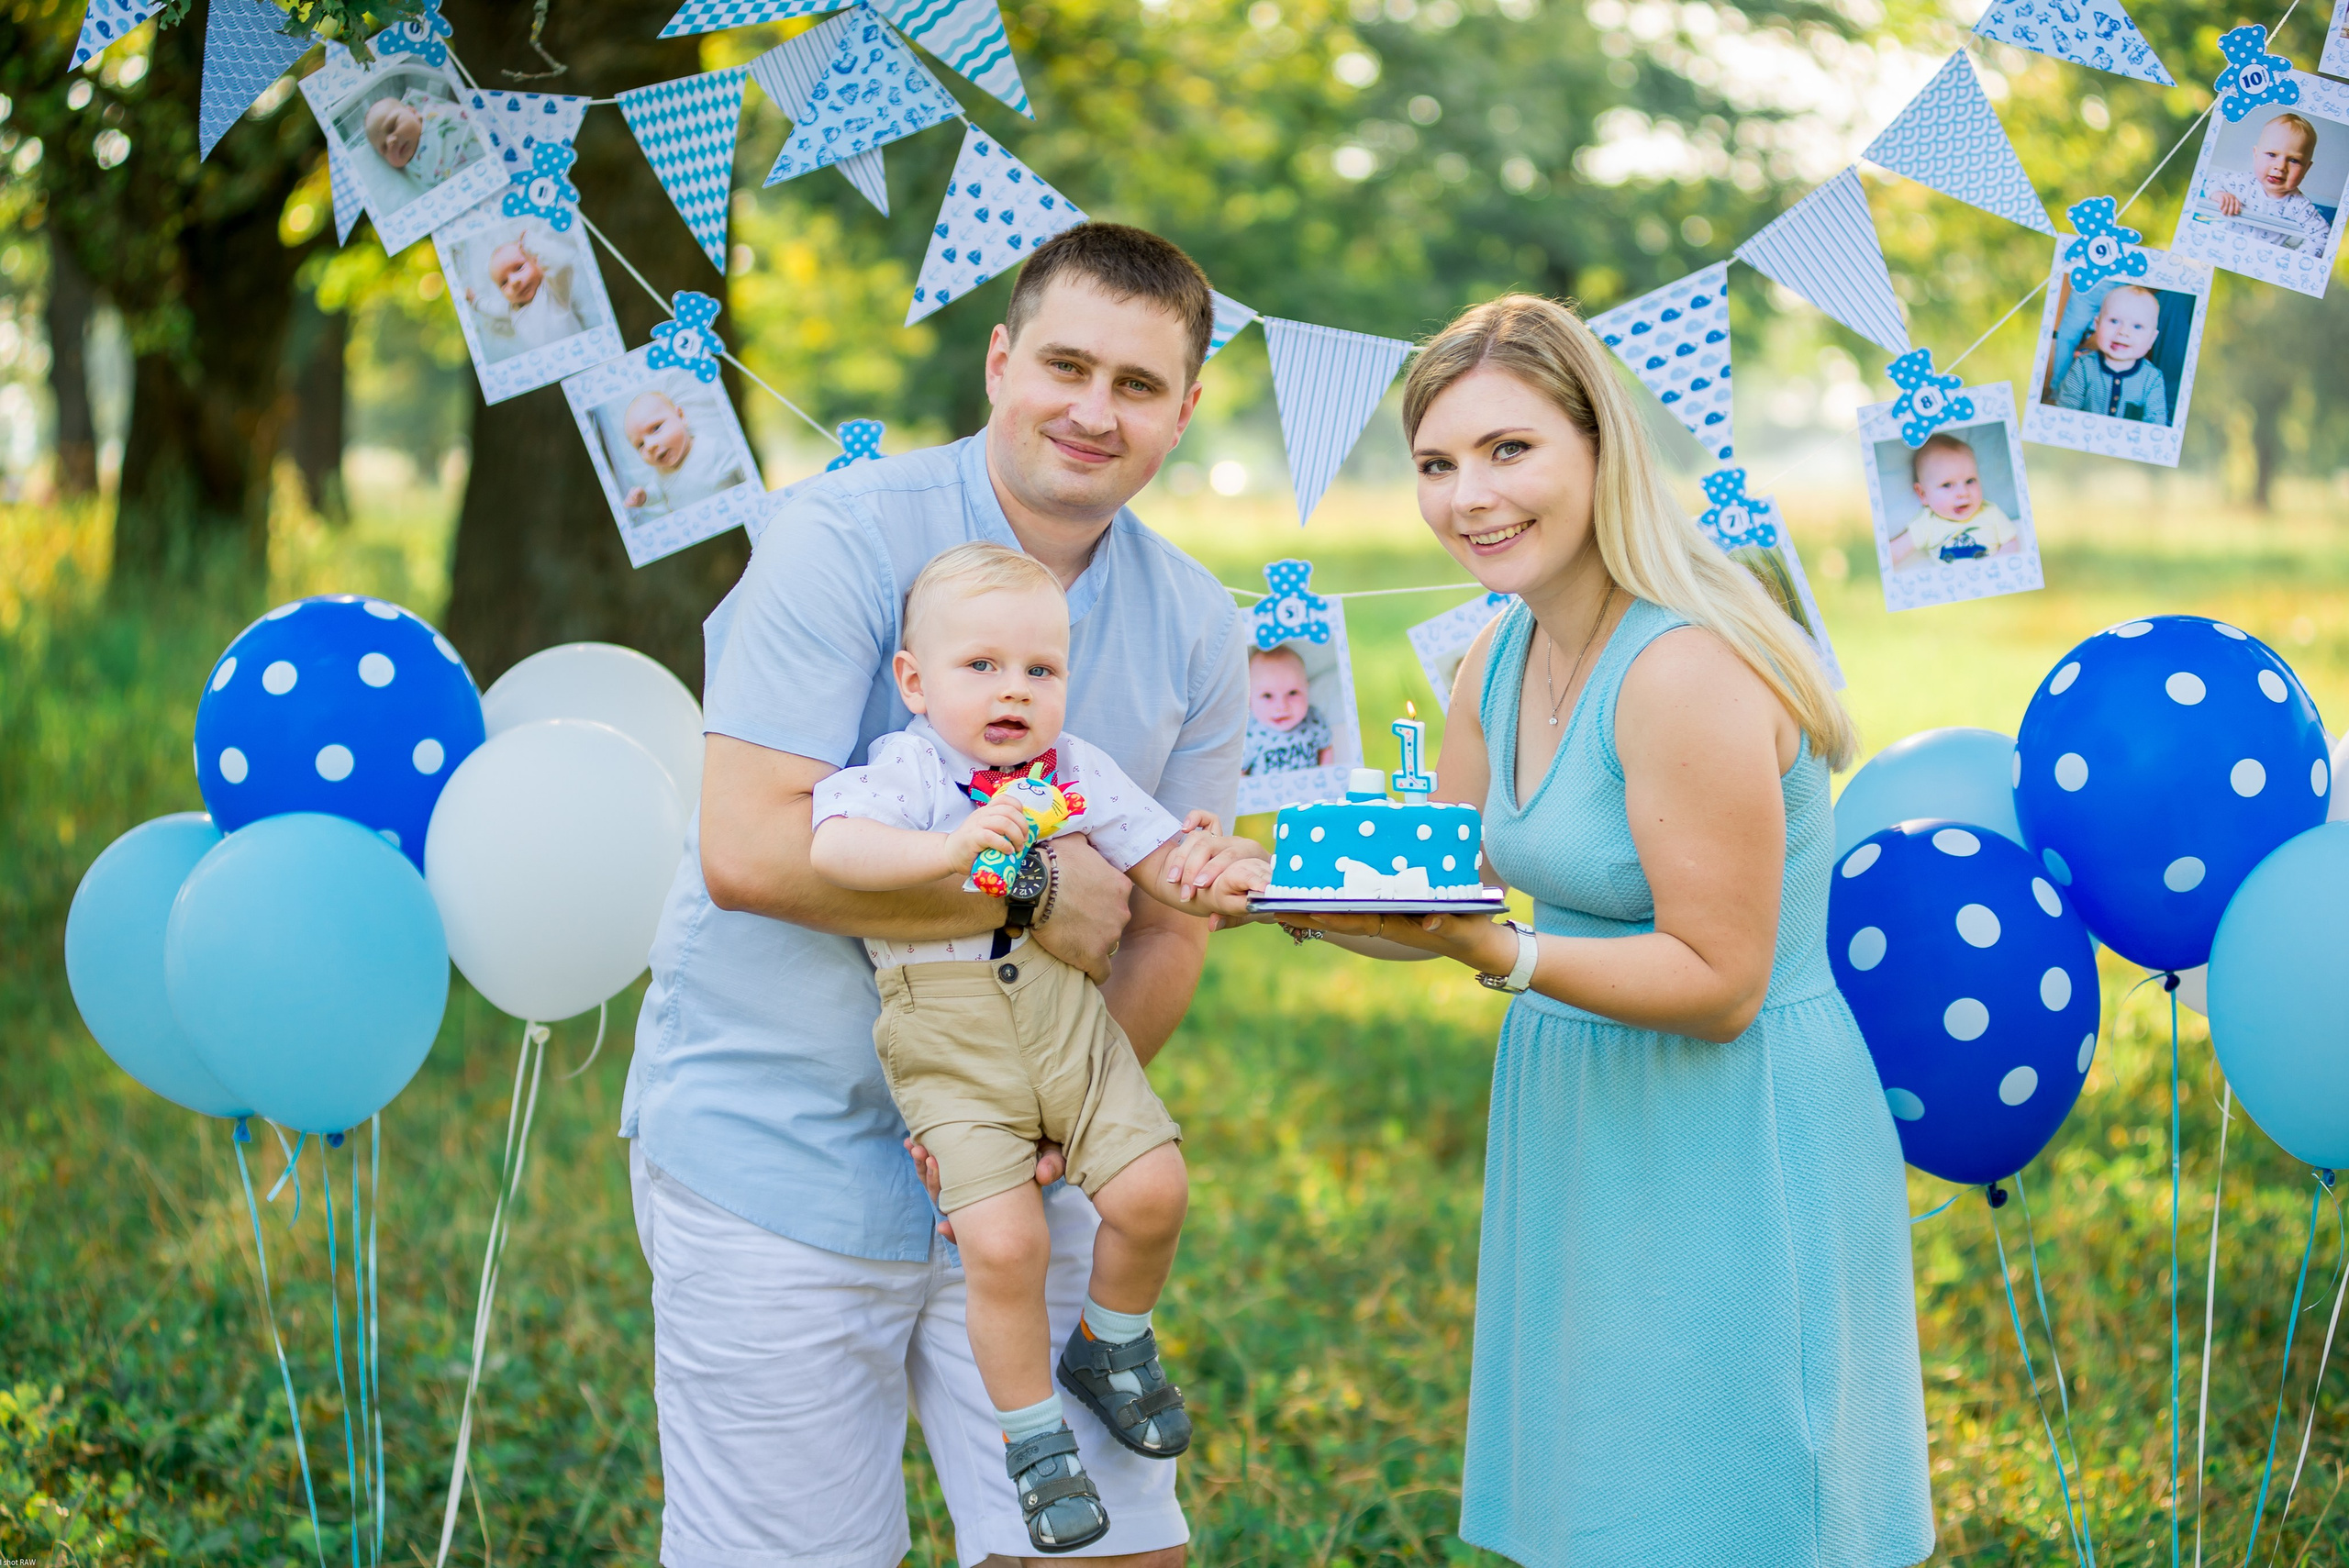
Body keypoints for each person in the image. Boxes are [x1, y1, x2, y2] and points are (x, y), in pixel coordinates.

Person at [620, 222, 1245, 1568]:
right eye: (1066, 365)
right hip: (779, 1143)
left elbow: (1168, 928)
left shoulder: (1199, 624)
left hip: (1026, 1154)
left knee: (1109, 1554)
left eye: (1139, 385)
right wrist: (1029, 899)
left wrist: (1052, 1127)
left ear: (1185, 413)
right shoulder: (839, 538)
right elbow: (749, 853)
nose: (1093, 410)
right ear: (999, 362)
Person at [1275, 294, 1933, 1565]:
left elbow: (1721, 978)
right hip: (1586, 1102)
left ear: (1598, 452)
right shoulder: (1496, 658)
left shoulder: (1683, 668)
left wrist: (1508, 956)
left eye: (1509, 450)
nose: (1470, 496)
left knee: (1734, 1501)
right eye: (1437, 463)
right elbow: (1440, 896)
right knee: (1611, 1504)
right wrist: (1273, 891)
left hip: (1729, 1119)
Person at [807, 541, 1265, 1551]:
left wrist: (1218, 868)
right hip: (951, 1041)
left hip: (1072, 1027)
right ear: (914, 682)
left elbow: (1157, 861)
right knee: (1003, 1244)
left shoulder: (1074, 770)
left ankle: (1112, 1342)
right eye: (981, 667)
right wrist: (952, 848)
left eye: (1040, 670)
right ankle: (1034, 1443)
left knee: (1153, 1190)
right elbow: (833, 852)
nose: (1013, 690)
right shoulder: (908, 772)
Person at [2201, 111, 2333, 250]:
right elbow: (2212, 180)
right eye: (2272, 154)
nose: (2280, 166)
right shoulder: (2242, 183)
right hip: (2227, 245)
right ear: (2256, 154)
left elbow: (2322, 236)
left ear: (2307, 168)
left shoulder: (2299, 206)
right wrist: (2219, 194)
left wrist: (2293, 260)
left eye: (2294, 160)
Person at [1891, 430, 2018, 573]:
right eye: (1947, 485)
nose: (1963, 493)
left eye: (1970, 481)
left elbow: (2011, 542)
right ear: (1923, 494)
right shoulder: (1927, 524)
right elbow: (1893, 552)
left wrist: (1997, 566)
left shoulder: (1990, 512)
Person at [2053, 284, 2168, 425]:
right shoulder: (2083, 367)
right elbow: (2065, 411)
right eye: (2114, 321)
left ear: (2152, 339)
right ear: (2097, 325)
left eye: (2137, 326)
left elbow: (2156, 423)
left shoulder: (2152, 379)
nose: (2123, 332)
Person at [618, 386, 746, 515]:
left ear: (681, 416)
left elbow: (745, 469)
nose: (649, 446)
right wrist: (646, 496)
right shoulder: (662, 472)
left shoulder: (712, 449)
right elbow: (658, 491)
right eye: (640, 445)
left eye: (656, 428)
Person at [465, 227, 584, 360]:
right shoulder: (513, 309)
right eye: (504, 283)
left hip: (577, 355)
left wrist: (531, 242)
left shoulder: (553, 292)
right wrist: (476, 302)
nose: (514, 282)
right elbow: (492, 308)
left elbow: (561, 264)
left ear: (536, 261)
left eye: (519, 268)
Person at [358, 85, 478, 204]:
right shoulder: (413, 176)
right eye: (384, 148)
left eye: (392, 126)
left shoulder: (434, 116)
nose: (390, 142)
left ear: (413, 112)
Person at [1239, 642, 1332, 774]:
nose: (1281, 707)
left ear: (1306, 689)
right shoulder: (1250, 732)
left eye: (1293, 693)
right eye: (1267, 695)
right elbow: (1240, 771)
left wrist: (1327, 775)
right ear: (1249, 700)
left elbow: (1326, 748)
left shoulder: (1313, 719)